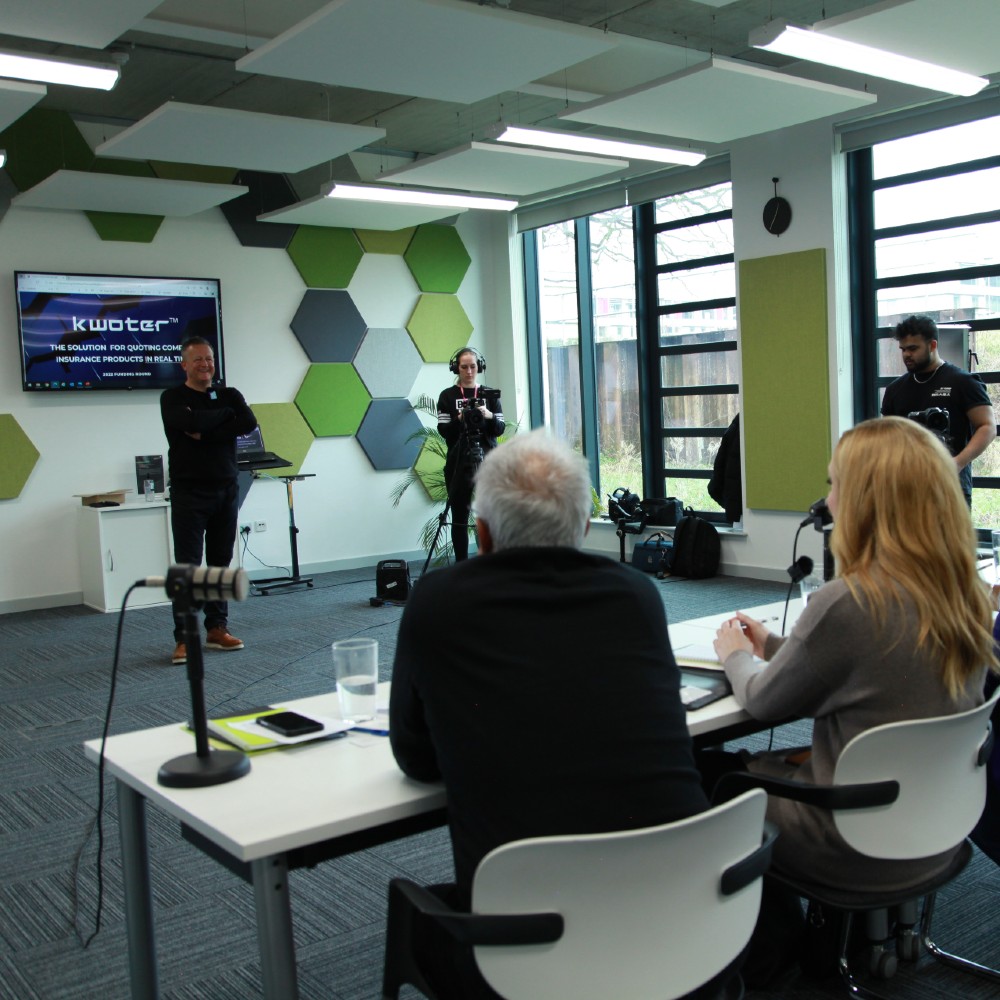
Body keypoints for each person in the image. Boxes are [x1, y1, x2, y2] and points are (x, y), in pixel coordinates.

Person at [390, 429, 709, 999]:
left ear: (481, 533)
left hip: (525, 957)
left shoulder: (437, 602)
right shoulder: (639, 596)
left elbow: (415, 757)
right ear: (585, 527)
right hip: (681, 934)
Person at [711, 417, 996, 979]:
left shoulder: (848, 601)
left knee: (716, 779)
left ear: (868, 502)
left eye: (835, 485)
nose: (827, 500)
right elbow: (878, 671)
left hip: (852, 837)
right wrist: (773, 643)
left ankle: (774, 955)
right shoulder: (965, 591)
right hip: (938, 828)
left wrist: (734, 655)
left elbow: (766, 703)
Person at [160, 336, 257, 665]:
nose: (206, 364)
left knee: (219, 564)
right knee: (188, 568)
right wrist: (223, 419)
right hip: (189, 493)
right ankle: (184, 638)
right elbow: (186, 422)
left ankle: (217, 628)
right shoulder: (172, 397)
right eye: (198, 359)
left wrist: (210, 427)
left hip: (226, 489)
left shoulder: (229, 395)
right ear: (184, 365)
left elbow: (247, 422)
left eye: (209, 359)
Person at [880, 314, 995, 505]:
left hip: (950, 486)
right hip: (907, 488)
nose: (906, 354)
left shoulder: (962, 382)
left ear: (932, 345)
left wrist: (957, 462)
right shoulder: (895, 390)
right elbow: (886, 436)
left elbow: (987, 427)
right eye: (903, 349)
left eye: (913, 348)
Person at [436, 347, 504, 560]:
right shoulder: (447, 396)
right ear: (456, 368)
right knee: (459, 517)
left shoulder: (489, 395)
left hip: (488, 462)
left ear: (479, 367)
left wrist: (489, 415)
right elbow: (443, 431)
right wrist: (459, 418)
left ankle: (491, 564)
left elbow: (499, 429)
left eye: (473, 366)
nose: (468, 371)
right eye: (463, 367)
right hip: (458, 464)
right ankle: (461, 566)